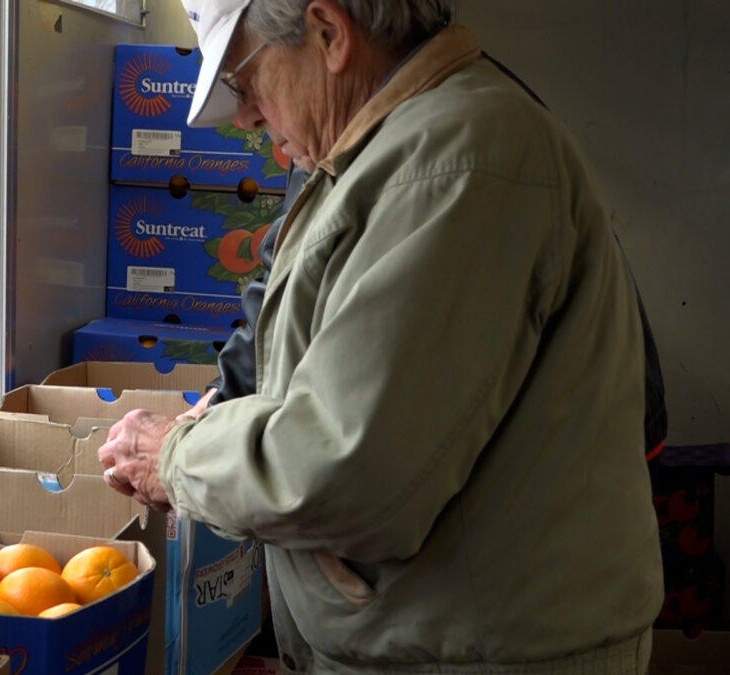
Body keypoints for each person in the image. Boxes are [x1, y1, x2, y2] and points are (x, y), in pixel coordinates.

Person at [98, 1, 665, 672]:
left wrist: (177, 458)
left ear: (329, 34)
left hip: (487, 653)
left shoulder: (458, 160)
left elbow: (345, 469)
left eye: (241, 79)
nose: (245, 114)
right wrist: (224, 403)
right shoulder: (384, 149)